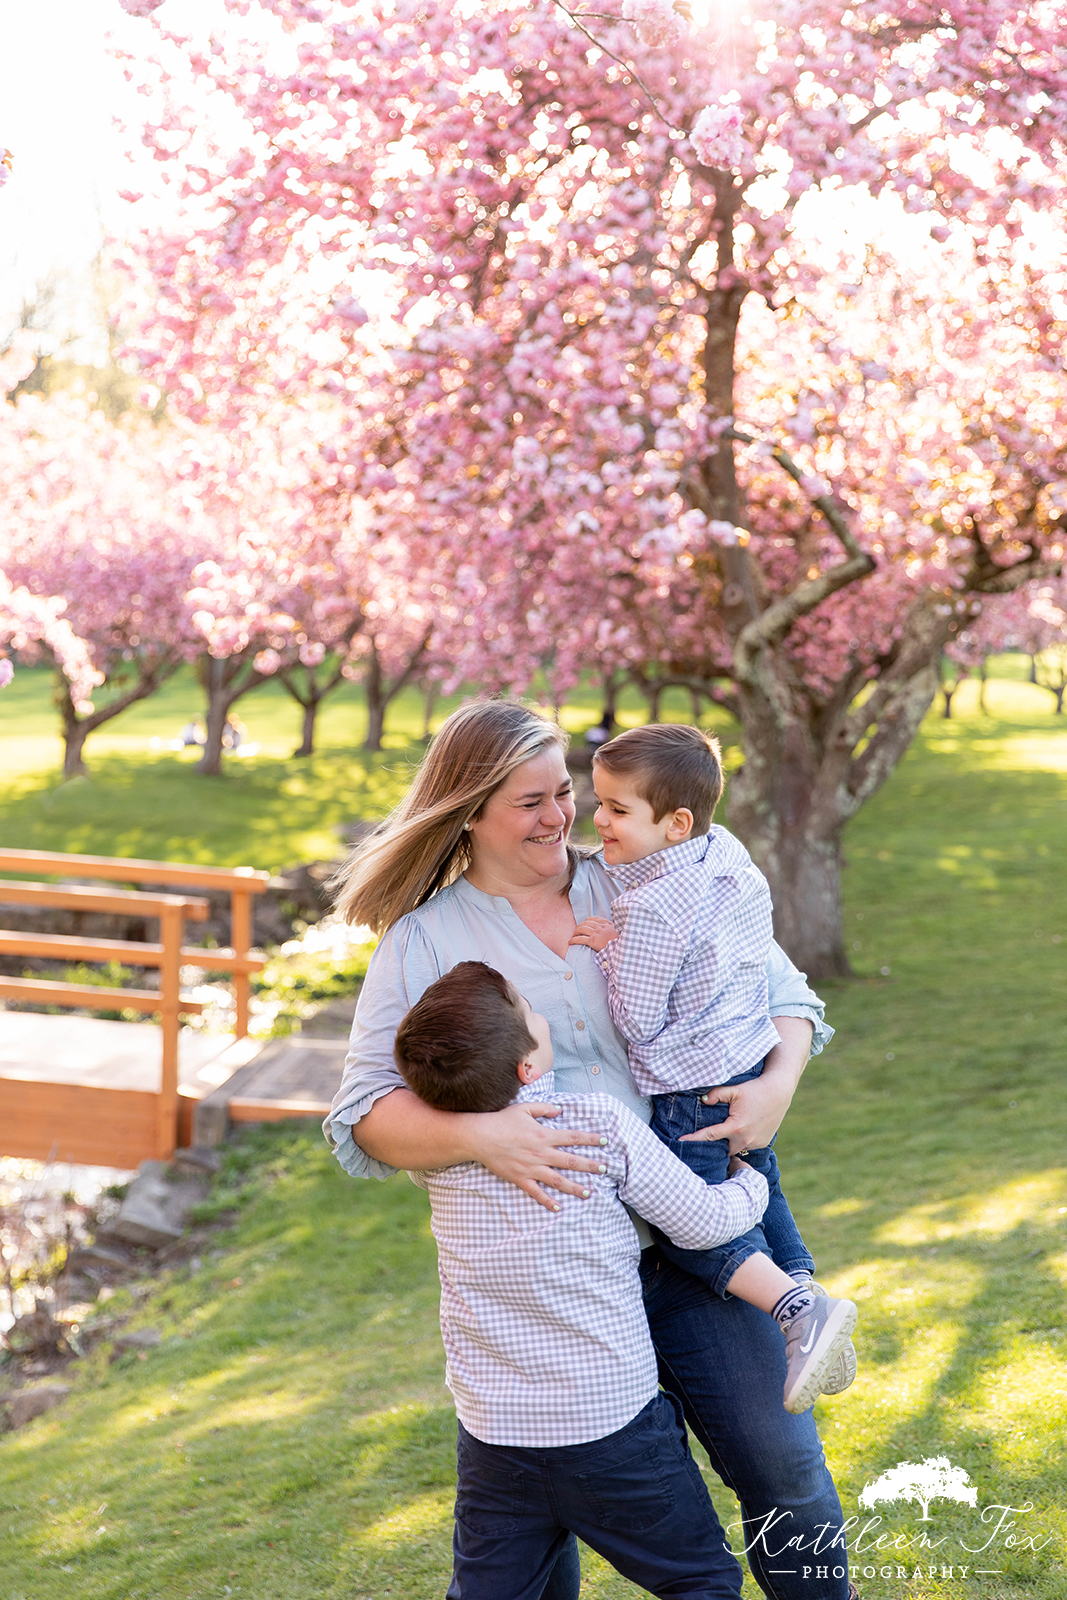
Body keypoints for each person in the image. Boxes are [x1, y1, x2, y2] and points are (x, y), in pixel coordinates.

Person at [326, 699, 856, 1600]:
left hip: (694, 1250)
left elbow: (782, 990)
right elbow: (362, 1118)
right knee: (545, 1501)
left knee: (784, 1474)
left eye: (562, 791)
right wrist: (477, 1134)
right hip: (554, 1286)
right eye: (530, 801)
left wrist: (778, 1084)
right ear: (469, 812)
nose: (561, 815)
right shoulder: (424, 940)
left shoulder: (639, 877)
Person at [394, 959, 769, 1600]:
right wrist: (749, 1180)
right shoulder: (595, 1122)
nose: (539, 1014)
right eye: (529, 1011)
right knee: (698, 1582)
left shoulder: (438, 1163)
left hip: (496, 1442)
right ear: (528, 1069)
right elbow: (701, 1223)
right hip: (613, 1433)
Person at [569, 723, 857, 1415]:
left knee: (689, 1227)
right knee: (762, 1176)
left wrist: (609, 945)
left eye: (615, 810)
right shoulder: (725, 856)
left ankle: (792, 1308)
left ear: (674, 823)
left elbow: (636, 1019)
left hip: (686, 1091)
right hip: (743, 1061)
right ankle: (810, 1307)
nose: (596, 819)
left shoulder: (647, 911)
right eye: (598, 802)